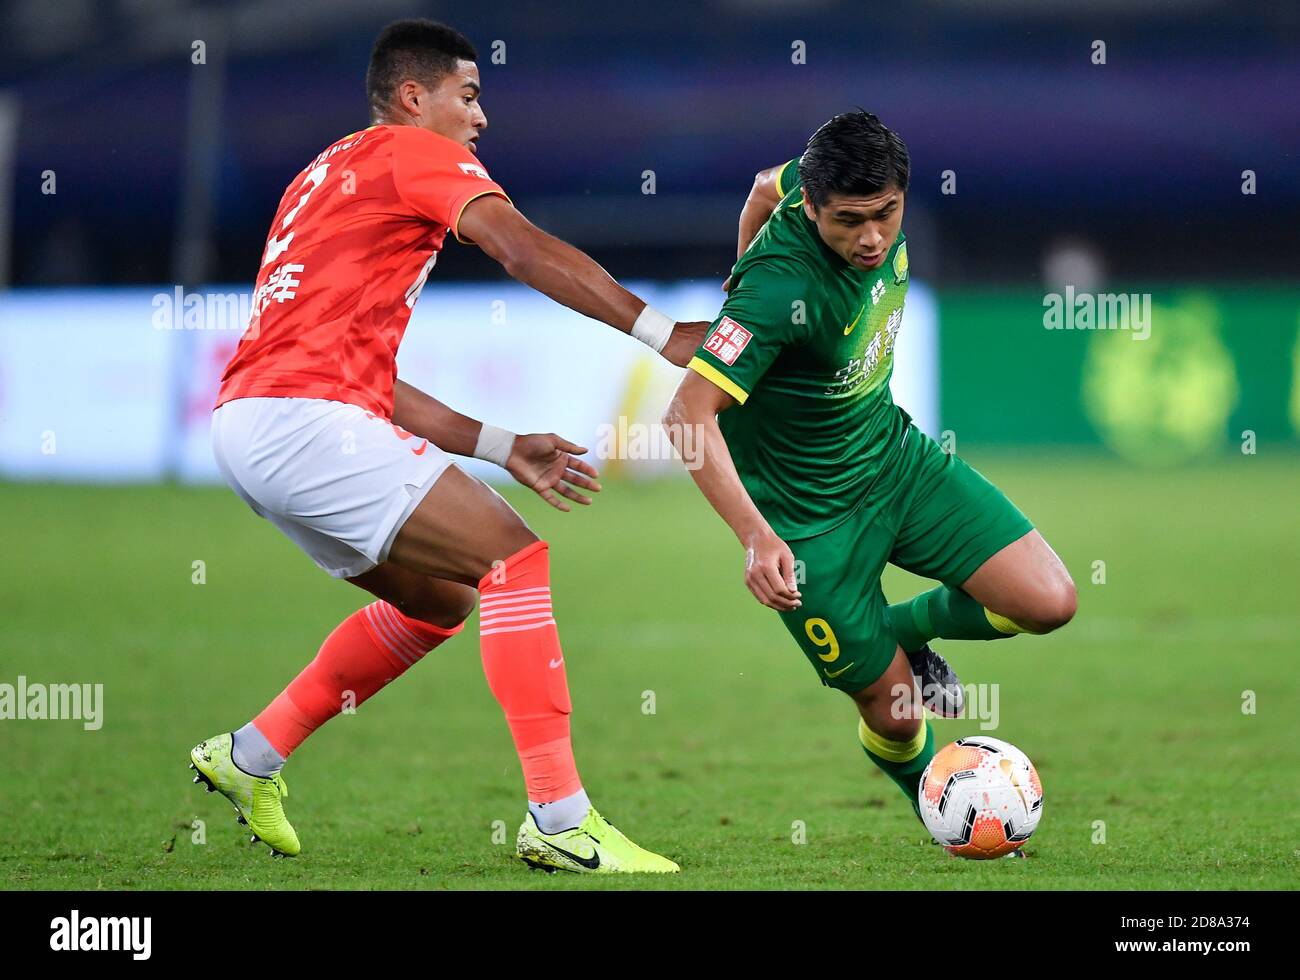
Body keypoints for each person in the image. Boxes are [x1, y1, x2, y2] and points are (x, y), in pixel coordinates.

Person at [191, 19, 707, 874]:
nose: (480, 118)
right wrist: (663, 331)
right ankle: (558, 817)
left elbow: (370, 380)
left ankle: (251, 756)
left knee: (441, 600)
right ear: (412, 96)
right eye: (468, 96)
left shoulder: (319, 177)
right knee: (515, 557)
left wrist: (502, 444)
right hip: (305, 424)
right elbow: (521, 246)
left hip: (251, 424)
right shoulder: (413, 153)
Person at [663, 110, 1076, 829]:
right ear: (814, 207)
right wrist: (757, 538)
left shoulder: (817, 180)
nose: (873, 238)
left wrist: (737, 255)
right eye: (849, 222)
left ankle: (898, 629)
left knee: (1050, 601)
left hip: (894, 461)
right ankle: (936, 802)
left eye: (886, 214)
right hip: (807, 524)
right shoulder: (774, 292)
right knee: (894, 713)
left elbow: (764, 185)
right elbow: (685, 417)